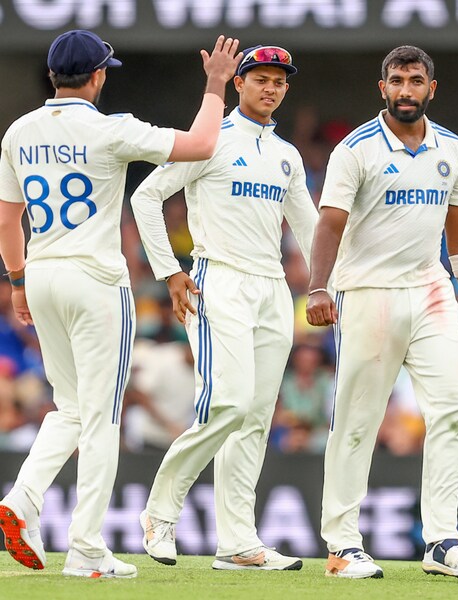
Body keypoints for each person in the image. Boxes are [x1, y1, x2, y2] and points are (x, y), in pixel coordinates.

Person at [0, 30, 241, 578]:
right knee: (104, 417)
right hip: (95, 280)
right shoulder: (112, 129)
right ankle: (86, 547)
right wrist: (215, 85)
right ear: (99, 75)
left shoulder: (19, 131)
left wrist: (16, 282)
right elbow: (202, 145)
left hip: (40, 274)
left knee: (71, 407)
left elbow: (7, 218)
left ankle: (23, 498)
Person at [305, 45, 458, 580]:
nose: (405, 90)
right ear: (381, 87)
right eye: (396, 80)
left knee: (455, 408)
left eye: (415, 81)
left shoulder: (454, 149)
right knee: (358, 421)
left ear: (432, 88)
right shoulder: (355, 149)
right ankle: (342, 545)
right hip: (368, 291)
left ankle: (440, 541)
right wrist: (318, 287)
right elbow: (330, 223)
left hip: (432, 290)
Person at [132, 45, 317, 571]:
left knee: (255, 420)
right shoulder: (211, 140)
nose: (271, 88)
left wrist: (329, 284)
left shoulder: (286, 155)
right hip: (219, 281)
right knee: (227, 405)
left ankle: (238, 543)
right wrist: (170, 269)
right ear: (238, 83)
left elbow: (307, 230)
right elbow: (146, 198)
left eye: (280, 81)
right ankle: (160, 512)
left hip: (273, 289)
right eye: (260, 78)